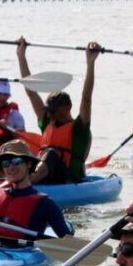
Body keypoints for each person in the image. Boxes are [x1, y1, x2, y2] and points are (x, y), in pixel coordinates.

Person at [17, 38, 100, 185]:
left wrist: (91, 62)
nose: (50, 114)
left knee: (50, 155)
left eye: (53, 111)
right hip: (45, 176)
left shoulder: (79, 128)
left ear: (67, 109)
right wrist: (21, 55)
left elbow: (86, 97)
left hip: (68, 179)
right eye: (49, 111)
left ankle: (28, 183)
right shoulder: (48, 120)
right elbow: (31, 92)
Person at [0, 140, 72, 240]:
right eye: (6, 164)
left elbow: (67, 240)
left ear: (28, 164)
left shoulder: (46, 204)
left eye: (16, 161)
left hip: (21, 253)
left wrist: (68, 239)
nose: (11, 167)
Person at [0, 80, 26, 146]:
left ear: (8, 96)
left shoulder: (16, 115)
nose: (2, 97)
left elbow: (22, 141)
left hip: (8, 150)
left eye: (5, 94)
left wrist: (8, 128)